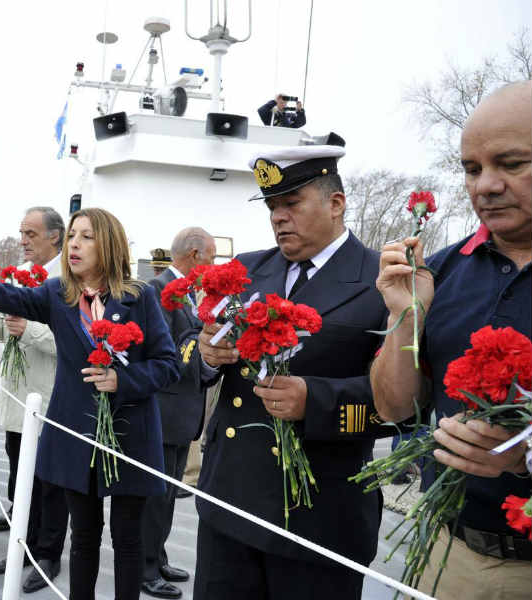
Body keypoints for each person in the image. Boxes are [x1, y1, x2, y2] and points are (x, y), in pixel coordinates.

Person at [0, 207, 180, 600]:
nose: (75, 244)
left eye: (87, 237)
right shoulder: (57, 295)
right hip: (76, 436)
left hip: (132, 437)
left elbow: (167, 365)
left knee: (128, 541)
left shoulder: (140, 297)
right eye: (73, 235)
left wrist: (122, 380)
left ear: (109, 245)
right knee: (83, 539)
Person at [195, 143, 397, 599]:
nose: (278, 217)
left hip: (318, 519)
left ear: (336, 203)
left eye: (291, 203)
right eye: (272, 206)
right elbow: (191, 353)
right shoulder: (246, 270)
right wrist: (207, 354)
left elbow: (404, 401)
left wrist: (316, 401)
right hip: (229, 504)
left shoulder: (381, 282)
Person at [370, 81, 531, 598]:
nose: (486, 185)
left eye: (511, 164)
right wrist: (405, 318)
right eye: (471, 168)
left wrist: (523, 455)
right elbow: (395, 407)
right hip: (449, 554)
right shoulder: (439, 271)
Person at [0, 206, 70, 590]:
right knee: (19, 482)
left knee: (50, 487)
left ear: (55, 237)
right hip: (17, 401)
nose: (22, 240)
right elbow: (4, 330)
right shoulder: (19, 281)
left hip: (49, 403)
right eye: (21, 232)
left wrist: (30, 331)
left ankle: (48, 556)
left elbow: (79, 344)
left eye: (30, 234)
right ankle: (22, 547)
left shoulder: (69, 283)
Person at [141, 227, 216, 599]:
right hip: (163, 411)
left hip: (181, 413)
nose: (212, 266)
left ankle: (158, 555)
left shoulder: (185, 296)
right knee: (155, 495)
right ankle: (145, 568)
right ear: (194, 254)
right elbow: (164, 352)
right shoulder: (157, 293)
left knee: (168, 493)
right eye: (211, 257)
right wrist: (201, 342)